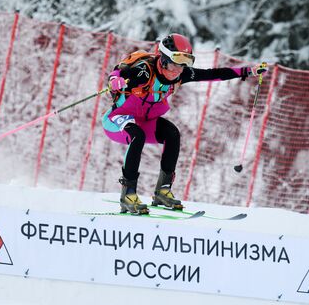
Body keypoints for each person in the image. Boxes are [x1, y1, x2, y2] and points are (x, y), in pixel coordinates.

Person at [102, 33, 267, 215]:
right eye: (174, 64)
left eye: (182, 67)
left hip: (145, 121)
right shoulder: (145, 71)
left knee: (172, 133)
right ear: (163, 60)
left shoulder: (180, 75)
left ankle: (162, 191)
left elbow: (213, 74)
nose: (177, 71)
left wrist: (247, 71)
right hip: (118, 119)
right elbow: (118, 72)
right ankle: (128, 194)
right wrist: (114, 81)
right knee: (137, 135)